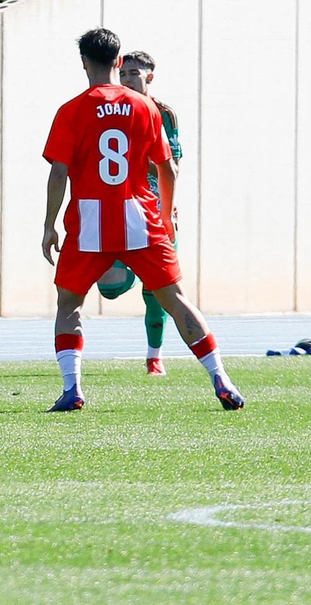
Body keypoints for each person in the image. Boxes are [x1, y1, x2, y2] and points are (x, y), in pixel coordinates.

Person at [40, 27, 244, 413]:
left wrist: (49, 224)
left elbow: (58, 173)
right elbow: (168, 169)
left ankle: (73, 389)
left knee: (69, 304)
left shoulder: (71, 110)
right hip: (140, 217)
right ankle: (221, 378)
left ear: (84, 62)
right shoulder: (146, 107)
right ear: (119, 62)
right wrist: (165, 217)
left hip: (89, 222)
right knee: (176, 300)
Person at [117, 51, 181, 376]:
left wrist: (167, 209)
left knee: (158, 291)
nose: (127, 79)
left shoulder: (163, 113)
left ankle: (154, 356)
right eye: (123, 73)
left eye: (134, 73)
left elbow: (173, 165)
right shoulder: (108, 111)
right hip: (117, 209)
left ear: (149, 77)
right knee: (111, 287)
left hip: (153, 210)